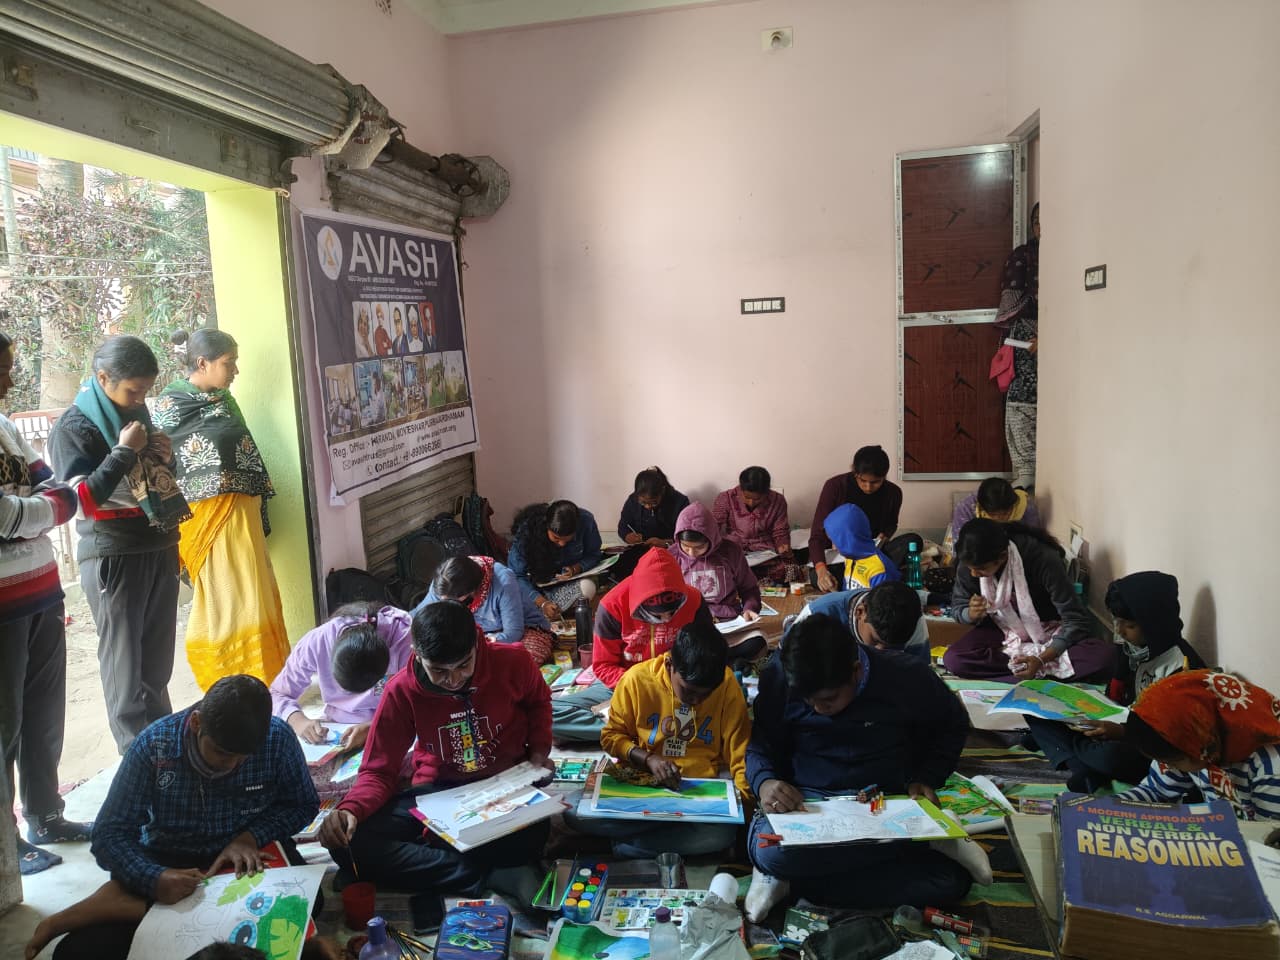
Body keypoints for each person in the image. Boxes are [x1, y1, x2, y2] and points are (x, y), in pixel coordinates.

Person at [27, 675, 318, 960]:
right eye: (221, 752)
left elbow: (302, 804)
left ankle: (126, 904)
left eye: (242, 758)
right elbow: (110, 834)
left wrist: (249, 837)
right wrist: (153, 878)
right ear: (196, 723)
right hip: (170, 862)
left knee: (306, 906)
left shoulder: (277, 738)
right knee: (77, 953)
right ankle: (127, 901)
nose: (230, 765)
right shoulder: (154, 747)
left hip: (245, 859)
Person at [744, 615, 987, 920]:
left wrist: (927, 776)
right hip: (808, 803)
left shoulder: (906, 675)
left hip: (884, 802)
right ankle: (925, 841)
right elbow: (760, 743)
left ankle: (790, 883)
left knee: (951, 883)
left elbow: (953, 724)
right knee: (768, 850)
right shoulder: (781, 675)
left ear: (856, 671)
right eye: (808, 701)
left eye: (828, 699)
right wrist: (765, 782)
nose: (817, 709)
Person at [316, 601, 553, 904]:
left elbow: (539, 703)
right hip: (438, 794)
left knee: (532, 834)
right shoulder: (401, 690)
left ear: (477, 644)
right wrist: (350, 810)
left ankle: (435, 863)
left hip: (504, 789)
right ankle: (487, 873)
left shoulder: (513, 661)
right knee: (348, 841)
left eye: (463, 665)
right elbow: (378, 770)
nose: (454, 680)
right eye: (439, 671)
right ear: (416, 652)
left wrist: (538, 752)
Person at [48, 335, 190, 753]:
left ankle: (163, 749)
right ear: (103, 377)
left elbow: (158, 482)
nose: (140, 399)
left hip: (158, 544)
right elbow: (81, 502)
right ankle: (135, 756)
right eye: (133, 390)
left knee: (156, 666)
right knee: (124, 666)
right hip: (114, 553)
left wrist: (167, 456)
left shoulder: (137, 414)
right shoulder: (74, 428)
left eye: (146, 390)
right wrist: (124, 451)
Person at [0, 330, 92, 875]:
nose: (9, 378)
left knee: (43, 715)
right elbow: (8, 515)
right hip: (5, 607)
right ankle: (6, 843)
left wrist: (31, 510)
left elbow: (60, 494)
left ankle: (46, 815)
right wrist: (37, 510)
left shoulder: (7, 427)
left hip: (41, 590)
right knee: (4, 727)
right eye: (2, 368)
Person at [153, 329, 288, 691]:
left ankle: (265, 677)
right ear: (203, 363)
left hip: (242, 517)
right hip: (204, 523)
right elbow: (162, 467)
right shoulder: (168, 406)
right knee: (222, 597)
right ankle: (225, 680)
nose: (235, 371)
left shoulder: (226, 401)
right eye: (229, 363)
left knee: (253, 591)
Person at [565, 622, 749, 857]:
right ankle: (661, 839)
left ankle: (622, 846)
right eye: (688, 691)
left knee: (720, 835)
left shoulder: (727, 683)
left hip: (698, 792)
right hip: (643, 785)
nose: (696, 701)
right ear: (669, 665)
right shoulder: (636, 680)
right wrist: (648, 759)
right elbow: (611, 738)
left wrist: (744, 809)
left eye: (706, 695)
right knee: (572, 809)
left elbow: (741, 753)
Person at [1025, 572, 1205, 792]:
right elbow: (1114, 697)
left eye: (1129, 625)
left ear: (1154, 624)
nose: (1119, 631)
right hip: (1117, 721)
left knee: (1112, 757)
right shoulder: (1133, 648)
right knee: (1035, 705)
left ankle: (1069, 756)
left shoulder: (1182, 668)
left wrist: (1121, 732)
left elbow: (1172, 738)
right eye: (1116, 621)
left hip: (1145, 742)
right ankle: (1079, 760)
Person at [551, 549, 714, 743]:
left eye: (672, 613)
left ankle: (640, 729)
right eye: (657, 616)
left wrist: (681, 686)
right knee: (548, 716)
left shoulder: (693, 600)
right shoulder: (612, 605)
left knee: (723, 702)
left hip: (679, 687)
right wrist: (641, 688)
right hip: (625, 684)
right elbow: (604, 666)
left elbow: (705, 653)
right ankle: (648, 728)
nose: (666, 620)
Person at [943, 519, 1113, 684]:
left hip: (1049, 627)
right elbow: (958, 607)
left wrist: (1042, 659)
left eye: (981, 569)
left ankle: (1028, 668)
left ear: (1002, 557)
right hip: (1002, 627)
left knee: (1105, 657)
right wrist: (969, 614)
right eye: (971, 569)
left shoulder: (1043, 559)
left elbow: (1075, 620)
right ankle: (1034, 669)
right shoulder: (970, 563)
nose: (974, 574)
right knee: (954, 659)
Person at [1116, 670, 1280, 820]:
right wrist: (1108, 807)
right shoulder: (1195, 741)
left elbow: (1269, 835)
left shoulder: (1271, 767)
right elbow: (1155, 790)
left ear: (1197, 748)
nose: (1168, 767)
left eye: (1173, 762)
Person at [269, 601, 414, 752]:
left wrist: (374, 726)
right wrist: (298, 721)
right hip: (339, 725)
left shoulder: (406, 642)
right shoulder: (318, 642)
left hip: (391, 723)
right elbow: (277, 694)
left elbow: (419, 704)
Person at [420, 555, 556, 664]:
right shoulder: (443, 584)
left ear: (471, 591)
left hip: (523, 630)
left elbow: (513, 632)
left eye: (452, 599)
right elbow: (418, 617)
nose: (445, 603)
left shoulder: (502, 580)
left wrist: (473, 645)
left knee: (518, 662)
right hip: (475, 638)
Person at [809, 445, 903, 593]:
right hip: (841, 555)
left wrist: (885, 535)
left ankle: (870, 578)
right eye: (863, 480)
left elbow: (892, 524)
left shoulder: (893, 493)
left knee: (912, 541)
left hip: (871, 554)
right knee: (817, 577)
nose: (868, 487)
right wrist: (821, 569)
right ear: (854, 471)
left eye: (876, 482)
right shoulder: (835, 486)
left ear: (884, 476)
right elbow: (817, 535)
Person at [996, 202, 1039, 491]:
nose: (1041, 227)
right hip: (1025, 339)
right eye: (1037, 221)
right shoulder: (1024, 256)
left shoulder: (1069, 254)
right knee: (1019, 401)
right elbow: (1010, 303)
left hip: (1063, 340)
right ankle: (1026, 469)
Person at [506, 500, 604, 618]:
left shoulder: (586, 521)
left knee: (588, 587)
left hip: (564, 587)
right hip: (534, 591)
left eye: (568, 539)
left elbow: (594, 554)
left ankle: (551, 612)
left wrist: (576, 568)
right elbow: (517, 575)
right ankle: (546, 610)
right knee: (510, 601)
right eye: (556, 538)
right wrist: (542, 602)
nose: (562, 544)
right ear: (546, 526)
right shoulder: (528, 530)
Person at [668, 502, 761, 621]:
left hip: (727, 618)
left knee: (759, 634)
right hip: (688, 619)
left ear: (711, 539)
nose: (691, 553)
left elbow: (749, 588)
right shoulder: (672, 556)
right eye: (686, 546)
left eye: (699, 547)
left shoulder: (730, 552)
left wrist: (750, 608)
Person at [794, 581, 929, 661]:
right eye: (875, 641)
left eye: (892, 647)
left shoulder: (912, 620)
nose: (880, 651)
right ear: (860, 612)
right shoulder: (817, 615)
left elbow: (918, 673)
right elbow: (790, 671)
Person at [712, 466, 792, 582]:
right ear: (741, 489)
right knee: (723, 571)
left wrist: (782, 545)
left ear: (767, 493)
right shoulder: (726, 498)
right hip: (735, 546)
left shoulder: (778, 500)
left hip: (764, 549)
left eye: (757, 499)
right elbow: (714, 526)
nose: (751, 502)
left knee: (787, 570)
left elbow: (780, 530)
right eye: (747, 497)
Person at [613, 466, 689, 579]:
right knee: (619, 568)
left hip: (670, 553)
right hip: (641, 552)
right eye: (643, 503)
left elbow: (686, 536)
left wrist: (666, 543)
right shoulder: (632, 501)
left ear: (662, 491)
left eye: (654, 503)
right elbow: (623, 526)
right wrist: (628, 536)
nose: (648, 507)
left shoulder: (680, 502)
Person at [945, 477, 1042, 561]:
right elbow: (962, 551)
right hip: (979, 557)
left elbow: (1034, 544)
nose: (1000, 519)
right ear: (982, 508)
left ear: (1013, 505)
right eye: (993, 514)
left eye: (1005, 513)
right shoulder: (966, 508)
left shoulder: (1025, 507)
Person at [821, 503, 900, 592]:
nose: (834, 548)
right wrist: (834, 591)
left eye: (836, 542)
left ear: (849, 539)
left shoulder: (878, 570)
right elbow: (848, 596)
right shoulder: (850, 559)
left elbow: (880, 601)